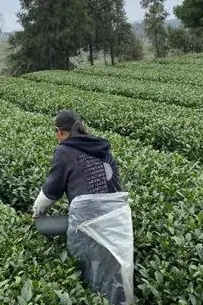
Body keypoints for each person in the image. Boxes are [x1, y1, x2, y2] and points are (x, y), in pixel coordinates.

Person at [32, 110, 134, 305]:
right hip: (116, 218)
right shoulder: (101, 147)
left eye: (57, 132)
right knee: (113, 270)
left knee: (89, 270)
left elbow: (52, 189)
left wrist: (37, 211)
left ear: (61, 132)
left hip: (89, 222)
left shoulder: (65, 151)